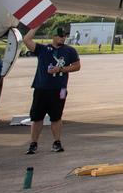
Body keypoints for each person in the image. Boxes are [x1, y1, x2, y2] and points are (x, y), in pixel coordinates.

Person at [22, 25, 80, 154]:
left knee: (56, 117)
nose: (62, 38)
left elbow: (77, 66)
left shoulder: (70, 51)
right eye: (60, 36)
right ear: (53, 36)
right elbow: (26, 40)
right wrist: (37, 25)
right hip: (41, 88)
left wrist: (61, 69)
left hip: (60, 89)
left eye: (64, 36)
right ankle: (33, 143)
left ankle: (57, 142)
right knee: (37, 118)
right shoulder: (43, 49)